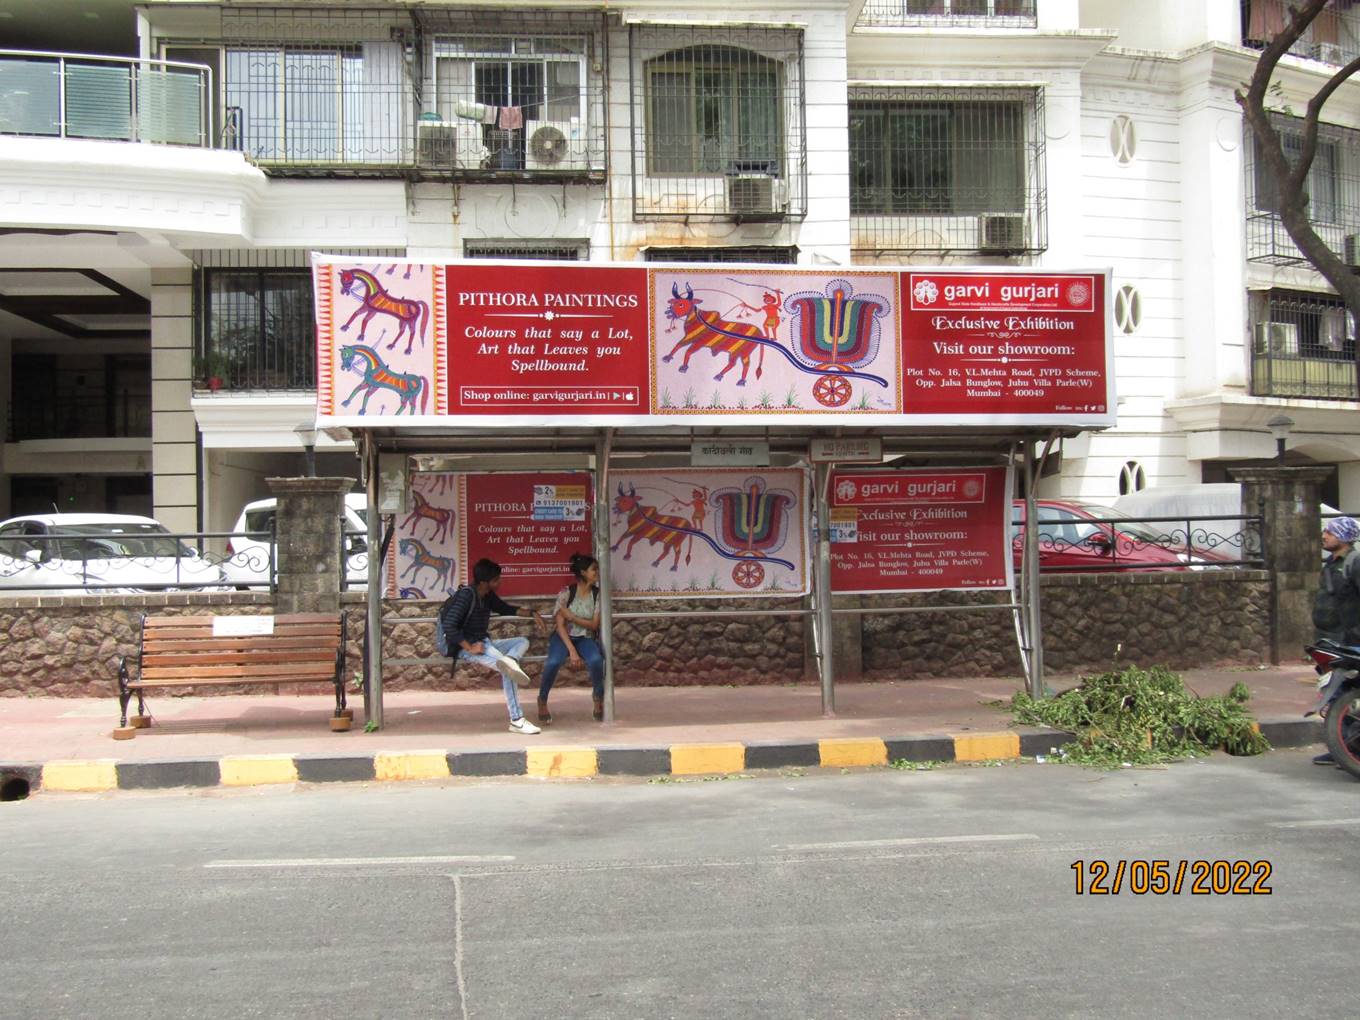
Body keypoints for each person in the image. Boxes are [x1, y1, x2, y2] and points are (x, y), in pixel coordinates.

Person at [440, 558, 548, 735]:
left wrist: (532, 613)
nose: (500, 582)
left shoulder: (487, 595)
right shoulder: (466, 596)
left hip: (485, 643)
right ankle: (516, 720)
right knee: (509, 671)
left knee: (522, 642)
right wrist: (469, 647)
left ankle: (510, 660)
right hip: (468, 647)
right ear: (484, 582)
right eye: (496, 580)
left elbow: (505, 608)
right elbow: (449, 626)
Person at [1311, 515, 1360, 765]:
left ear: (1343, 536)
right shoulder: (1331, 564)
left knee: (1349, 694)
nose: (1324, 536)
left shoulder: (1355, 562)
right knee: (1333, 693)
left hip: (1350, 640)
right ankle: (1340, 747)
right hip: (1329, 641)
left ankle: (1350, 749)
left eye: (1329, 532)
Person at [537, 552, 607, 724]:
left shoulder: (597, 595)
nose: (597, 573)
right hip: (564, 637)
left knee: (596, 661)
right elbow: (560, 625)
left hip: (585, 637)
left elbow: (594, 625)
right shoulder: (567, 593)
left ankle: (598, 698)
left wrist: (572, 617)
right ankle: (542, 699)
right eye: (594, 569)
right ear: (583, 572)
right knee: (553, 662)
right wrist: (572, 651)